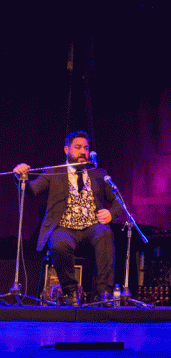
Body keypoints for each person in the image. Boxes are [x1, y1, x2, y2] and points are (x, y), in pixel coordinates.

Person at [13, 131, 124, 307]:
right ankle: (71, 292)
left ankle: (104, 293)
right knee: (58, 242)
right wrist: (21, 177)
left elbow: (119, 201)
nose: (83, 152)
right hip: (64, 227)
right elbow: (31, 190)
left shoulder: (98, 173)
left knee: (105, 234)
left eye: (86, 148)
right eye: (78, 147)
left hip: (91, 227)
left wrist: (112, 213)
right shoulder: (54, 171)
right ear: (66, 149)